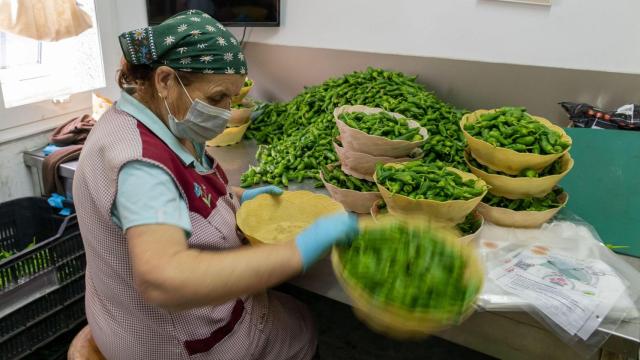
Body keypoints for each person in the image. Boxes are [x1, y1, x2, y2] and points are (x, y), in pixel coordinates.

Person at [73, 10, 358, 360]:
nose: (225, 113)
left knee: (284, 307)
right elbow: (164, 278)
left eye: (232, 100)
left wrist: (236, 196)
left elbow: (182, 193)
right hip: (174, 343)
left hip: (119, 319)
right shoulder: (140, 166)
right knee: (303, 324)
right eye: (217, 98)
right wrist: (297, 251)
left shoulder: (141, 120)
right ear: (164, 80)